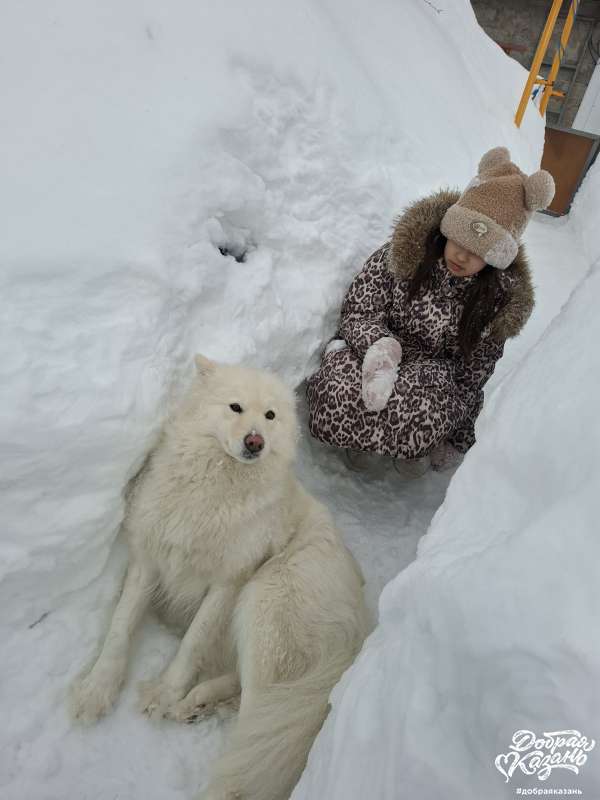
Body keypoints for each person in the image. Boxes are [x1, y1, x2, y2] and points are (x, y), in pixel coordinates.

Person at [306, 147, 555, 477]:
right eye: (459, 242)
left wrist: (457, 438)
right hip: (372, 347)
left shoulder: (495, 302)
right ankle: (359, 442)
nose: (462, 257)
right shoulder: (406, 254)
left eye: (477, 252)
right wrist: (379, 345)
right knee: (338, 388)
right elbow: (359, 309)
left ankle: (405, 448)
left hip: (433, 373)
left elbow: (473, 375)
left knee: (427, 412)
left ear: (495, 258)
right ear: (449, 228)